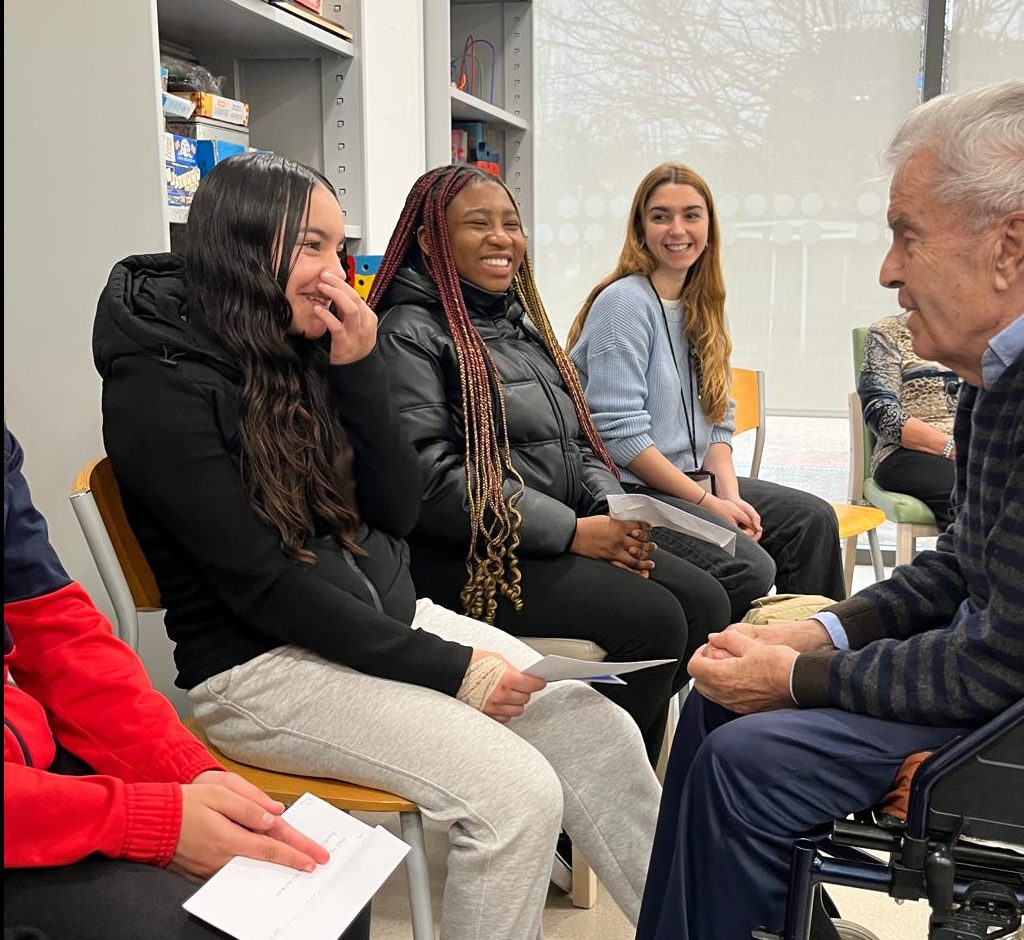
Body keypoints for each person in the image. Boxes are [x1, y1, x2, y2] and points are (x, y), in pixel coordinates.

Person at [636, 81, 1024, 940]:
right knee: (716, 702)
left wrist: (796, 679)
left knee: (750, 760)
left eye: (908, 235)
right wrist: (819, 634)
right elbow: (965, 566)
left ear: (1010, 245)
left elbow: (1010, 653)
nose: (888, 271)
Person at [93, 152, 660, 940]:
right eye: (312, 246)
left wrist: (360, 371)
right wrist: (453, 670)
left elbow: (394, 510)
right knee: (515, 794)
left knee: (596, 729)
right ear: (243, 246)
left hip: (383, 624)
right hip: (261, 668)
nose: (338, 274)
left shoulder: (295, 339)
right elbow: (265, 589)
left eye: (340, 248)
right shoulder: (157, 388)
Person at [367, 164, 730, 764]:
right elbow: (430, 481)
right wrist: (572, 532)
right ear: (431, 240)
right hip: (468, 556)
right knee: (658, 619)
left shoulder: (518, 324)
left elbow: (578, 444)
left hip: (547, 536)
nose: (501, 238)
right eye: (478, 224)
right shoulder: (407, 333)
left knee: (709, 601)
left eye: (511, 224)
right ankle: (594, 783)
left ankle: (635, 771)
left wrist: (612, 511)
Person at [2, 427, 352, 940]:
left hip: (32, 766)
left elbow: (55, 630)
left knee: (324, 895)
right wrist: (144, 822)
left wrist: (182, 771)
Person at [568, 163, 845, 620]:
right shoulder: (623, 303)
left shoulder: (705, 302)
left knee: (811, 520)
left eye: (691, 215)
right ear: (640, 228)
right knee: (748, 567)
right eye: (661, 216)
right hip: (633, 489)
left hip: (690, 480)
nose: (677, 230)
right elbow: (622, 437)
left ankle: (808, 655)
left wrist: (729, 497)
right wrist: (709, 504)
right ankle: (729, 661)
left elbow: (718, 421)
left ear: (709, 226)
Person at [858, 312, 961, 529]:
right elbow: (880, 411)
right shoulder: (889, 332)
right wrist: (952, 447)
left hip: (981, 448)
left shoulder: (986, 330)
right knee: (970, 490)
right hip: (907, 452)